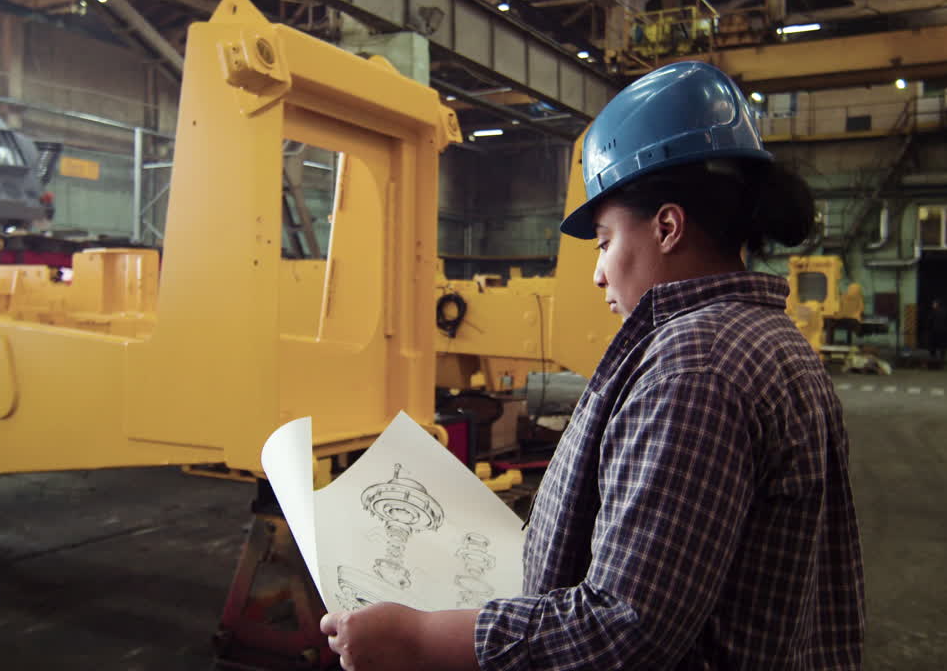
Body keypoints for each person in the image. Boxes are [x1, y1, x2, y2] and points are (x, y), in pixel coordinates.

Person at [321, 62, 865, 670]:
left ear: (666, 226)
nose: (598, 271)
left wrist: (418, 639)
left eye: (605, 241)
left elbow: (623, 630)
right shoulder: (767, 338)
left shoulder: (693, 369)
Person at [926, 298, 947, 366]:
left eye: (934, 304)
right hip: (944, 331)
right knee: (943, 346)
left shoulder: (933, 312)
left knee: (933, 345)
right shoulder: (946, 311)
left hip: (934, 331)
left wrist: (928, 329)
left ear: (937, 304)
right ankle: (942, 359)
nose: (933, 305)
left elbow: (929, 321)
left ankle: (934, 358)